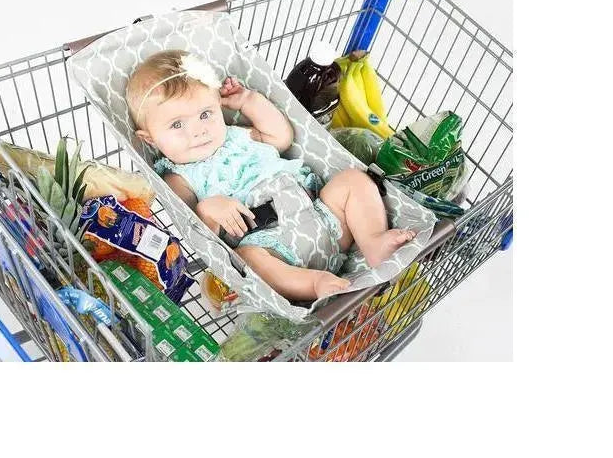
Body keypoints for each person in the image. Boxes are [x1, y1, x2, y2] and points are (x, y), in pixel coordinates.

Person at [126, 50, 415, 301]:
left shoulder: (237, 137)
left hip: (322, 218)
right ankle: (313, 283)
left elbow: (281, 137)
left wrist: (248, 101)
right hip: (272, 247)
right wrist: (208, 208)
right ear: (150, 138)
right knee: (249, 259)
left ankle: (372, 240)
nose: (198, 130)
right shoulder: (179, 177)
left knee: (354, 179)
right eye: (177, 124)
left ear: (217, 104)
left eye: (205, 114)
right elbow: (191, 225)